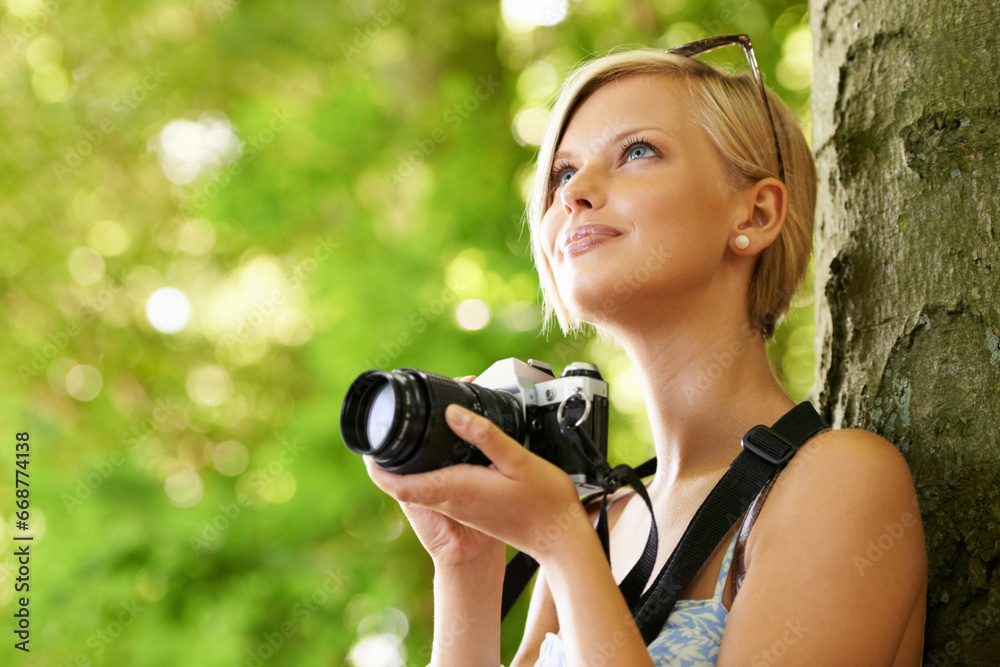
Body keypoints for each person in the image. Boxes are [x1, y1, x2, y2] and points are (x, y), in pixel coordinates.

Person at [365, 39, 928, 666]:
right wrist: (466, 563)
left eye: (637, 151)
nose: (574, 193)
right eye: (562, 172)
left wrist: (561, 541)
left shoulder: (838, 482)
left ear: (757, 212)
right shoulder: (597, 518)